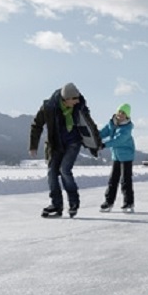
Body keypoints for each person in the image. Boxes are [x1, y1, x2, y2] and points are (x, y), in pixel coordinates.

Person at [29, 82, 99, 218]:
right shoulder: (49, 107)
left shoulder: (80, 106)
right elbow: (36, 125)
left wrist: (95, 144)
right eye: (74, 99)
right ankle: (56, 205)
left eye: (78, 98)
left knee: (64, 170)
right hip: (55, 144)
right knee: (52, 173)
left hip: (73, 142)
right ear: (65, 99)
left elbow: (90, 125)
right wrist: (33, 145)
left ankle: (73, 202)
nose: (77, 101)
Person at [98, 103, 135, 213]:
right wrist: (94, 137)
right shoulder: (112, 123)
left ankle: (128, 202)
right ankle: (108, 202)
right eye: (119, 111)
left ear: (127, 116)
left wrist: (104, 144)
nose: (120, 114)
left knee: (125, 180)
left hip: (126, 156)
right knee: (112, 180)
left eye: (123, 113)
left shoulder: (127, 128)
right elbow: (102, 133)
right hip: (116, 156)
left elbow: (118, 140)